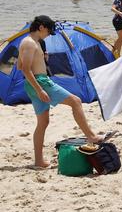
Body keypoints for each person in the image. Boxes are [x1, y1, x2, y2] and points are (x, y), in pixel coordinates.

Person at [18, 16, 102, 168]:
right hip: (41, 82)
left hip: (34, 83)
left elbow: (19, 65)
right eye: (49, 31)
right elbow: (25, 69)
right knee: (75, 101)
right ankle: (91, 136)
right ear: (42, 27)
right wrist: (40, 89)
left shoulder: (27, 42)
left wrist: (41, 60)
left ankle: (38, 161)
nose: (49, 35)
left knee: (43, 123)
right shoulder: (30, 43)